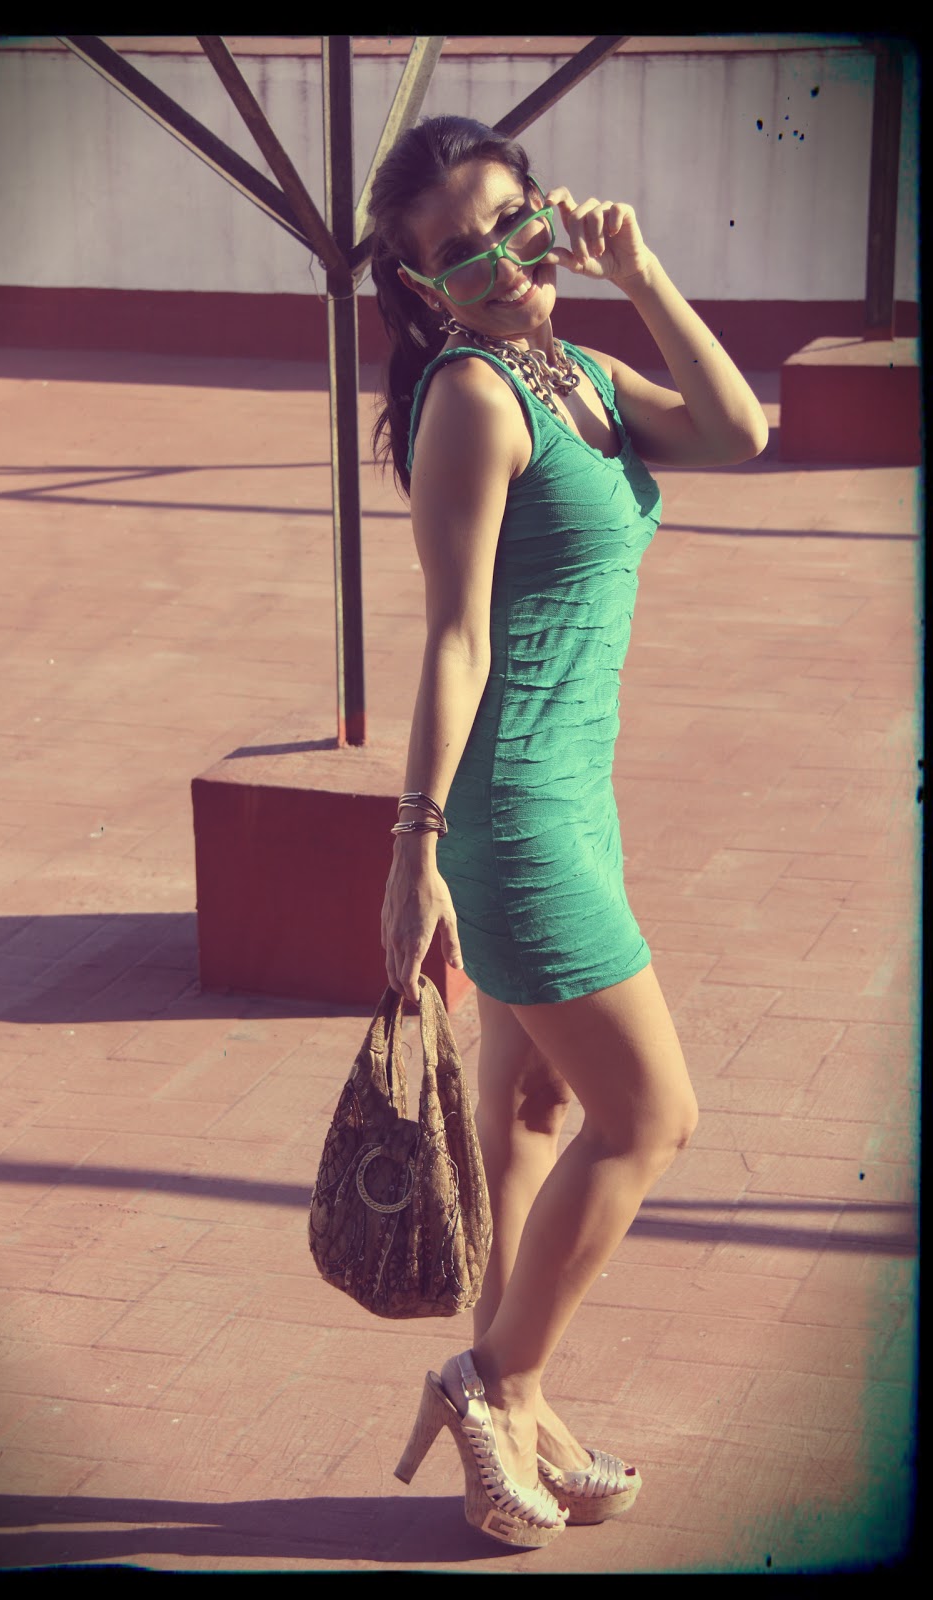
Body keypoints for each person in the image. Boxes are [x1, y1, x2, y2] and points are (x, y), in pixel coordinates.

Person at [372, 115, 768, 1547]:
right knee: (652, 1117)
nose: (495, 260)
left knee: (536, 1115)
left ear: (548, 211)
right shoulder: (476, 400)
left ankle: (523, 1414)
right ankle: (494, 1384)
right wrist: (414, 847)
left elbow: (741, 432)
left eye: (509, 221)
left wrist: (641, 272)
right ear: (425, 287)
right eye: (456, 252)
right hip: (514, 816)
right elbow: (455, 637)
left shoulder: (580, 373)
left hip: (574, 798)